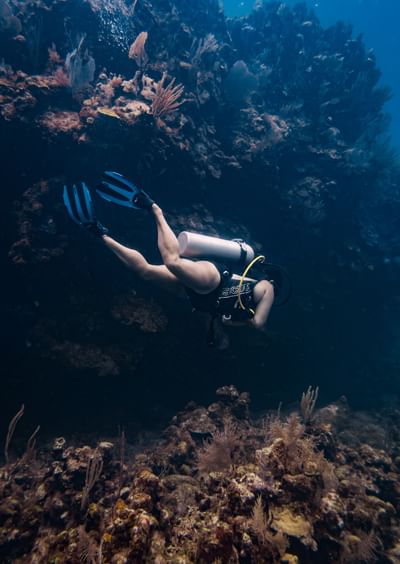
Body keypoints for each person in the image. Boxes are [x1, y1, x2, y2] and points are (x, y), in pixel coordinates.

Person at [63, 172, 279, 346]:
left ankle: (99, 233)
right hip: (213, 280)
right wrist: (257, 325)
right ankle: (154, 208)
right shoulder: (266, 288)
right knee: (172, 261)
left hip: (196, 297)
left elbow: (221, 319)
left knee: (145, 272)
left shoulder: (242, 312)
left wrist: (230, 327)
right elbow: (259, 321)